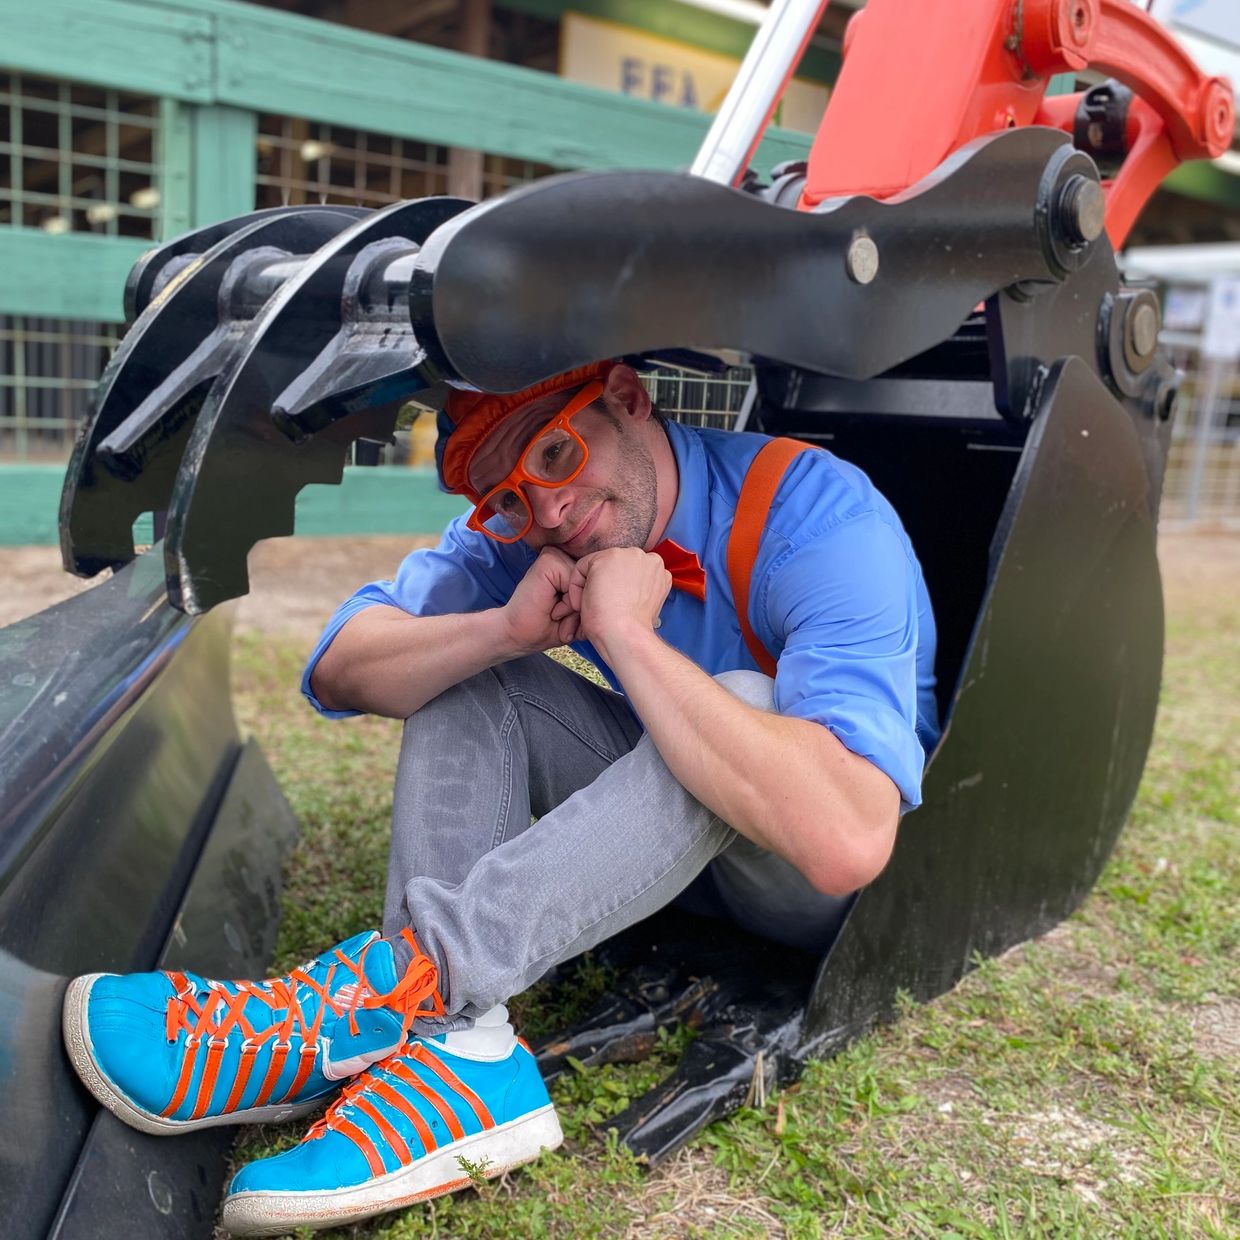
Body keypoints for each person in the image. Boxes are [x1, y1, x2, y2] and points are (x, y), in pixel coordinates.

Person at [63, 359, 939, 1235]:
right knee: (467, 669)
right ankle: (460, 1048)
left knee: (745, 700)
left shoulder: (817, 515)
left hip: (794, 880)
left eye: (557, 452)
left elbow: (846, 837)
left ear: (630, 399)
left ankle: (394, 991)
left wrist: (625, 633)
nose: (548, 511)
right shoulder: (525, 530)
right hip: (648, 861)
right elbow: (340, 663)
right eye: (513, 497)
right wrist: (502, 629)